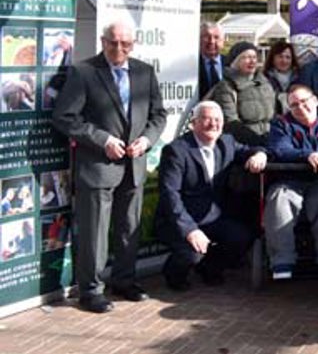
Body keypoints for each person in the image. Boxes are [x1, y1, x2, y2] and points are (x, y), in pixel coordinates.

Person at [52, 21, 167, 313]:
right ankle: (90, 291)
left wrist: (147, 140)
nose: (119, 49)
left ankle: (125, 281)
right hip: (99, 165)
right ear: (103, 41)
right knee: (96, 232)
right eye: (113, 43)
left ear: (133, 44)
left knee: (129, 229)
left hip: (135, 164)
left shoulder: (144, 71)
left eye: (125, 44)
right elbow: (65, 117)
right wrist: (102, 140)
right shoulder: (84, 72)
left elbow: (158, 115)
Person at [155, 101, 265, 291]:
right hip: (180, 219)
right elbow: (170, 195)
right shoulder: (176, 151)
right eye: (207, 119)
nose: (213, 124)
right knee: (192, 254)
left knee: (241, 238)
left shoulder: (227, 142)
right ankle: (174, 275)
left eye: (218, 120)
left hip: (213, 217)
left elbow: (249, 150)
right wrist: (190, 230)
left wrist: (259, 155)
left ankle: (210, 268)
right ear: (194, 122)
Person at [266, 85, 318, 280]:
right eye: (294, 105)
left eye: (304, 101)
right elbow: (279, 149)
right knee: (279, 198)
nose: (300, 107)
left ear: (315, 101)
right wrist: (308, 155)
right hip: (290, 181)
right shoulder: (281, 125)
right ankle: (282, 260)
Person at [206, 42, 276, 147]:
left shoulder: (265, 83)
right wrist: (258, 141)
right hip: (244, 144)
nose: (252, 61)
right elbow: (230, 122)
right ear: (235, 61)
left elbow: (275, 115)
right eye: (246, 57)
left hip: (271, 140)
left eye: (254, 57)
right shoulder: (226, 86)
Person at [263, 40, 302, 115]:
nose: (284, 60)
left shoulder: (300, 78)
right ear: (273, 59)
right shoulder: (264, 79)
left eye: (288, 57)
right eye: (280, 57)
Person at [198, 22, 227, 100]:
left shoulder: (231, 64)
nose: (211, 41)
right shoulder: (191, 65)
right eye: (206, 37)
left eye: (216, 37)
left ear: (223, 41)